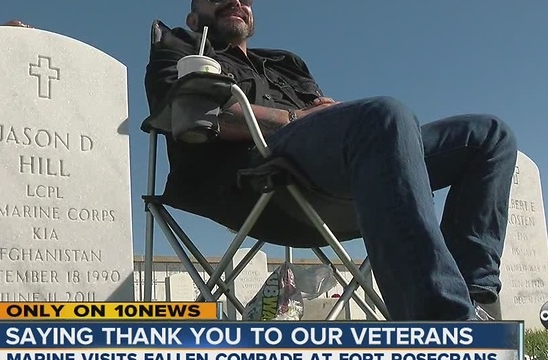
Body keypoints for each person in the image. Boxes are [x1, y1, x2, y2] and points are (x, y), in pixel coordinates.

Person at [144, 0, 518, 321]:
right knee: (385, 114)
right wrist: (298, 119)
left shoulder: (285, 63)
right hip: (257, 177)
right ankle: (440, 325)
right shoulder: (183, 45)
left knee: (488, 135)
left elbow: (329, 116)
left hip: (330, 168)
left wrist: (337, 116)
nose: (237, 1)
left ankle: (470, 299)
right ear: (194, 18)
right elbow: (181, 109)